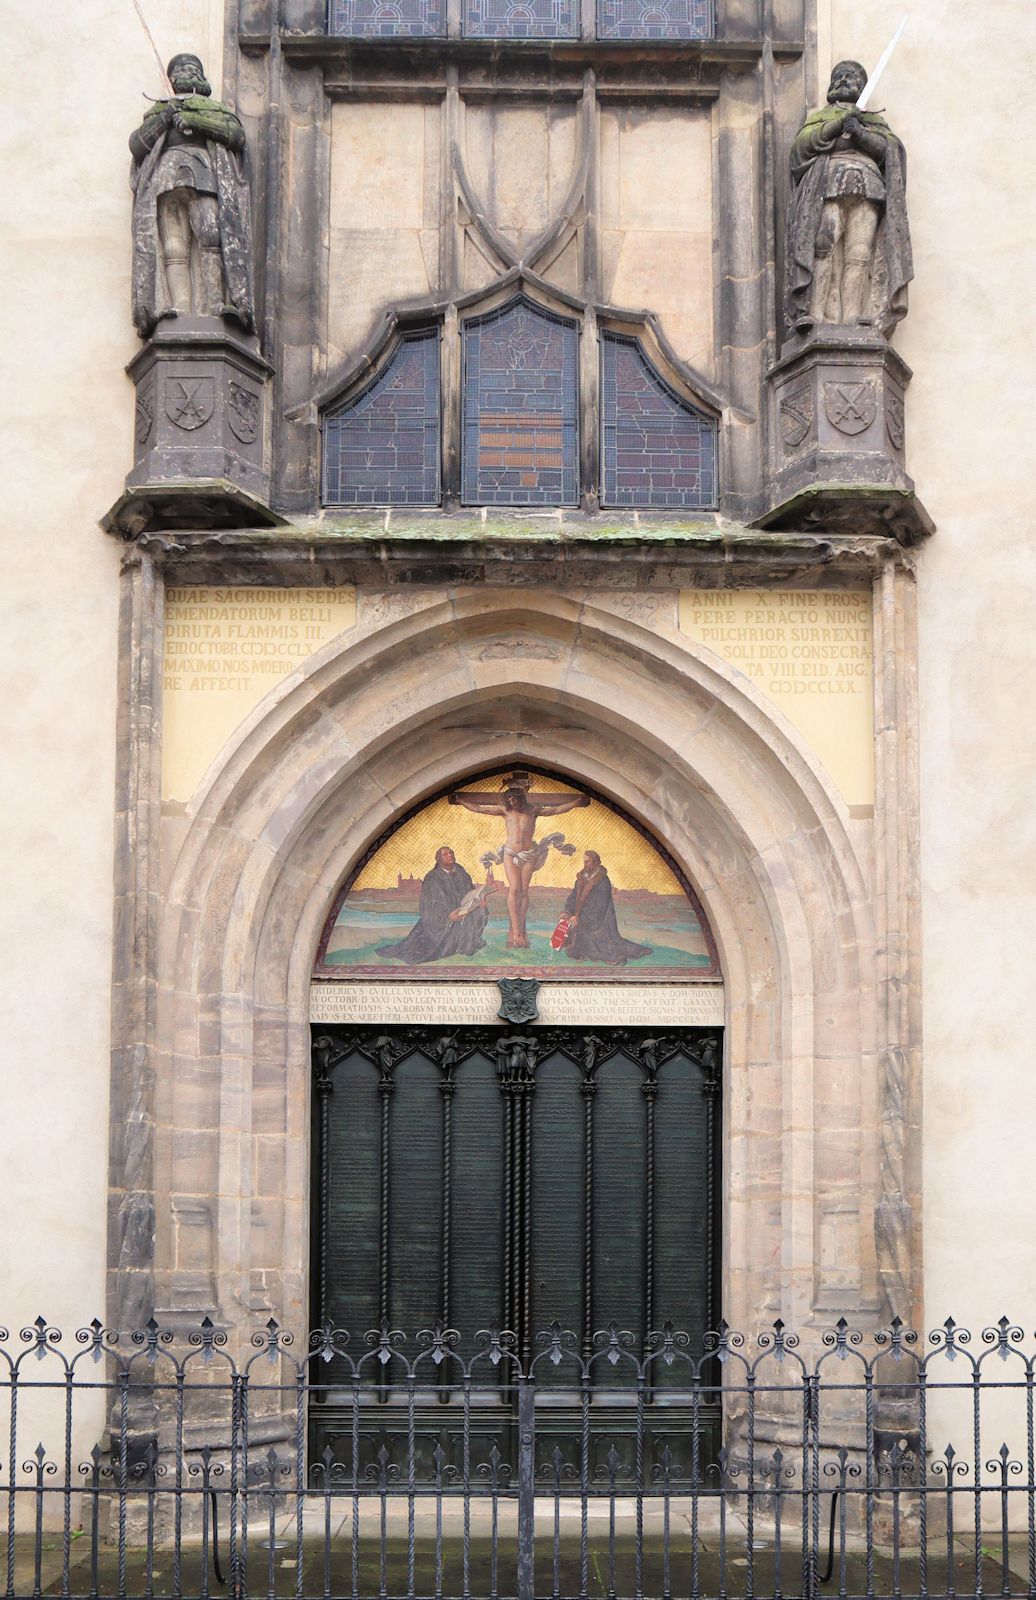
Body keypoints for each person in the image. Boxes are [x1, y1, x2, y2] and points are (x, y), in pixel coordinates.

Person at [129, 53, 255, 336]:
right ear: (172, 79)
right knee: (174, 247)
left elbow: (235, 135)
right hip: (167, 176)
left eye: (192, 68)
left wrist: (194, 121)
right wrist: (165, 118)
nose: (187, 72)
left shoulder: (215, 108)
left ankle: (215, 307)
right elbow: (138, 144)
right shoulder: (161, 109)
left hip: (206, 173)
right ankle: (180, 309)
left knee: (211, 236)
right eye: (181, 69)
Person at [785, 59, 911, 337]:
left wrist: (860, 133)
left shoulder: (874, 121)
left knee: (859, 252)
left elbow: (889, 153)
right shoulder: (820, 118)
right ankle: (816, 314)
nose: (843, 80)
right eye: (838, 76)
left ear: (863, 87)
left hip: (868, 187)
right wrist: (837, 125)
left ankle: (854, 316)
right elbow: (801, 149)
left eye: (851, 77)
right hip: (827, 183)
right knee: (823, 246)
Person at [449, 772, 588, 949]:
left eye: (515, 800)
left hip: (529, 853)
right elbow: (479, 808)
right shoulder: (505, 811)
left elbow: (556, 809)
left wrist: (576, 802)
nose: (513, 803)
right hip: (511, 853)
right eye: (510, 801)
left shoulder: (533, 810)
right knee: (514, 889)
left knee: (524, 890)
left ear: (521, 798)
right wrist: (460, 800)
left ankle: (521, 928)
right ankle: (515, 931)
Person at [376, 847, 490, 964]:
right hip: (442, 918)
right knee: (427, 947)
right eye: (445, 854)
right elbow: (430, 904)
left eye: (451, 853)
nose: (450, 855)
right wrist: (448, 915)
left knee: (480, 910)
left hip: (463, 910)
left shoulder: (460, 871)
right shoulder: (432, 877)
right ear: (439, 859)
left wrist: (479, 899)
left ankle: (467, 943)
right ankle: (453, 944)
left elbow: (470, 890)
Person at [561, 852, 651, 967]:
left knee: (608, 952)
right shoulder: (581, 877)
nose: (585, 864)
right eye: (584, 861)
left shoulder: (603, 881)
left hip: (600, 922)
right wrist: (567, 912)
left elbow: (599, 906)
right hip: (581, 916)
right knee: (573, 948)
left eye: (587, 861)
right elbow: (574, 897)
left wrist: (578, 916)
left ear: (596, 862)